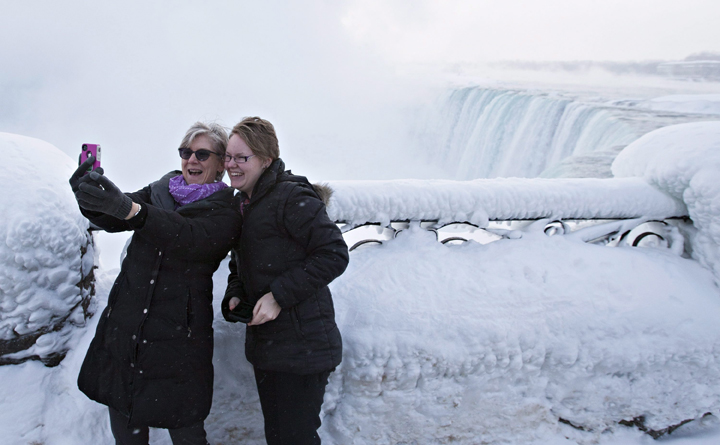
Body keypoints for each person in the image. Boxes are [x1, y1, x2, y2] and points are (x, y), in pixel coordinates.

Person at [70, 122, 242, 445]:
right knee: (125, 423)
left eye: (202, 154)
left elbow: (189, 238)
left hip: (179, 342)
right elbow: (114, 215)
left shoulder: (227, 210)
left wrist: (134, 212)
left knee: (187, 431)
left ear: (221, 163)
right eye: (186, 152)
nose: (192, 160)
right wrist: (89, 197)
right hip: (127, 331)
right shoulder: (161, 190)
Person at [221, 117, 349, 445]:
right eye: (228, 156)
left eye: (241, 158)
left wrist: (278, 295)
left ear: (266, 160)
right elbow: (242, 263)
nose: (231, 165)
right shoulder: (245, 202)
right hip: (271, 347)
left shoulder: (290, 198)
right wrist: (236, 292)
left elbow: (334, 253)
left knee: (296, 438)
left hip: (305, 347)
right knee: (279, 437)